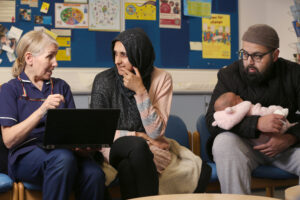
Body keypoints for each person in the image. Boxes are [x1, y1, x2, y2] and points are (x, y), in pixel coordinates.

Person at [91, 28, 210, 199]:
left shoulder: (162, 78)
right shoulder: (103, 80)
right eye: (115, 54)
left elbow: (155, 132)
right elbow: (99, 133)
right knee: (138, 146)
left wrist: (140, 91)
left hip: (148, 148)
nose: (117, 61)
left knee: (127, 166)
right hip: (113, 146)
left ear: (139, 53)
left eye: (124, 54)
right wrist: (139, 135)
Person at [0, 30, 106, 200]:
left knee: (94, 174)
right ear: (29, 58)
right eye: (50, 57)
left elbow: (73, 134)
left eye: (55, 57)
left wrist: (84, 148)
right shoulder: (10, 89)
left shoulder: (61, 87)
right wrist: (42, 109)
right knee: (62, 159)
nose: (55, 63)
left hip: (64, 154)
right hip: (26, 156)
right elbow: (9, 139)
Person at [206, 24, 300, 194]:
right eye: (245, 54)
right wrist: (256, 124)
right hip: (246, 147)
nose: (249, 61)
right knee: (223, 142)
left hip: (287, 148)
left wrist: (290, 138)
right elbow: (212, 120)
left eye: (257, 56)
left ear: (275, 55)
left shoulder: (294, 74)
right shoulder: (229, 75)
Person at [212, 92, 296, 145]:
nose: (240, 96)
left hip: (278, 142)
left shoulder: (225, 119)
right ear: (237, 102)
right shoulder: (245, 106)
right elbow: (261, 112)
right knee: (222, 140)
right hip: (271, 133)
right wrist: (257, 123)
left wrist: (291, 138)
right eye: (237, 97)